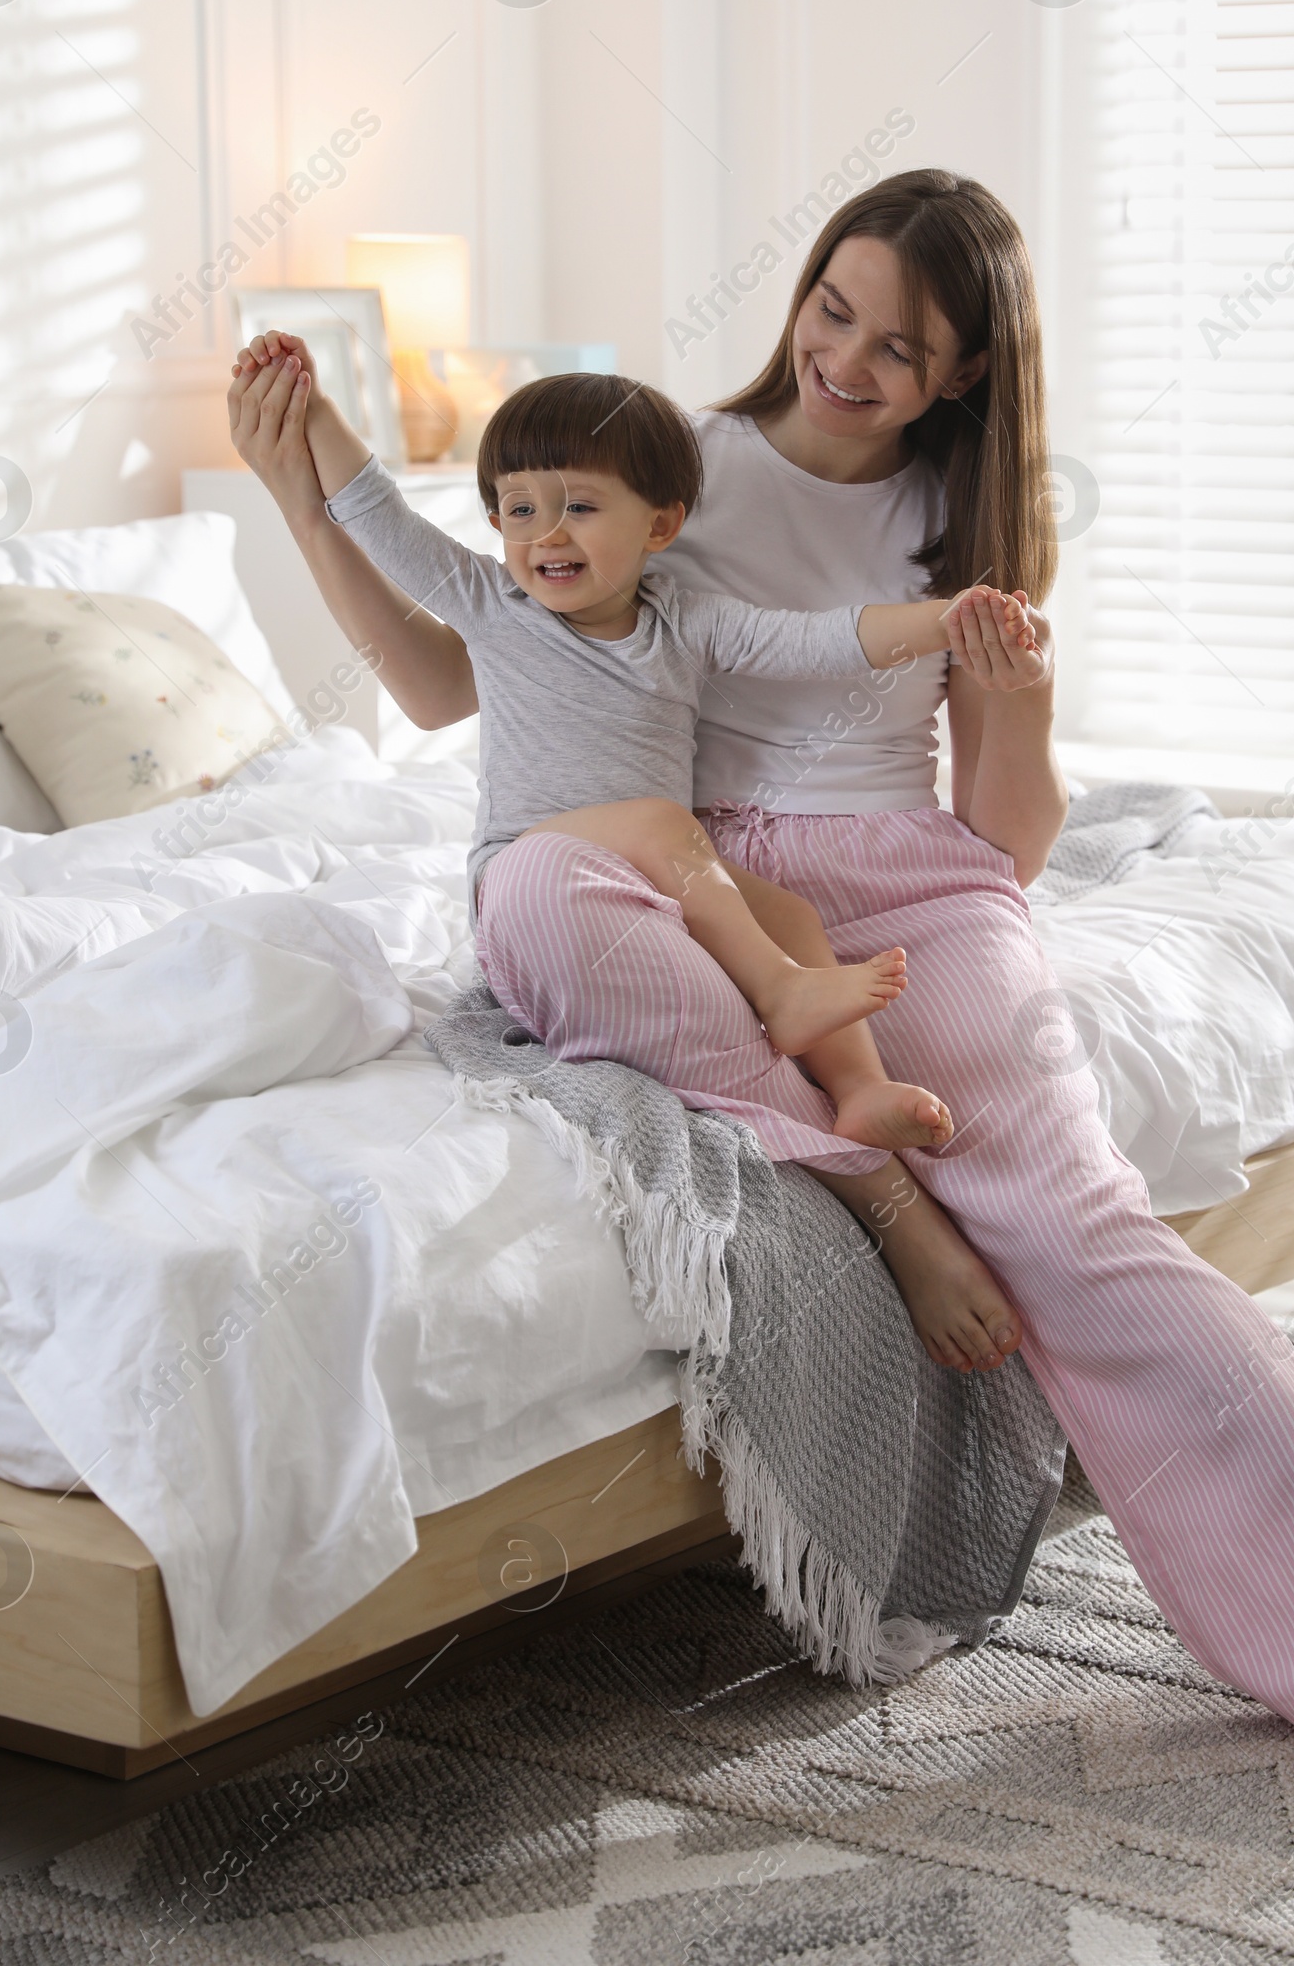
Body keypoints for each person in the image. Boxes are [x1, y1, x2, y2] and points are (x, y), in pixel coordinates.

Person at [228, 169, 1294, 1826]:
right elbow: (451, 680)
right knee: (566, 916)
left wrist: (1024, 714)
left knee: (1082, 1227)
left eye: (899, 345)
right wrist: (301, 490)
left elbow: (1006, 835)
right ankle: (887, 1190)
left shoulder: (961, 528)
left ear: (963, 376)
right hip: (703, 887)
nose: (846, 357)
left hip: (916, 887)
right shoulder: (662, 470)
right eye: (830, 309)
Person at [234, 339, 1038, 1380]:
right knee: (669, 827)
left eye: (578, 506)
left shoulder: (685, 623)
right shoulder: (494, 607)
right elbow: (376, 513)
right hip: (533, 871)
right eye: (516, 509)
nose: (542, 534)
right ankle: (790, 1008)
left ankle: (854, 1090)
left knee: (788, 912)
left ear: (660, 525)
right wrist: (322, 413)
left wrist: (948, 616)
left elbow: (821, 641)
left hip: (660, 884)